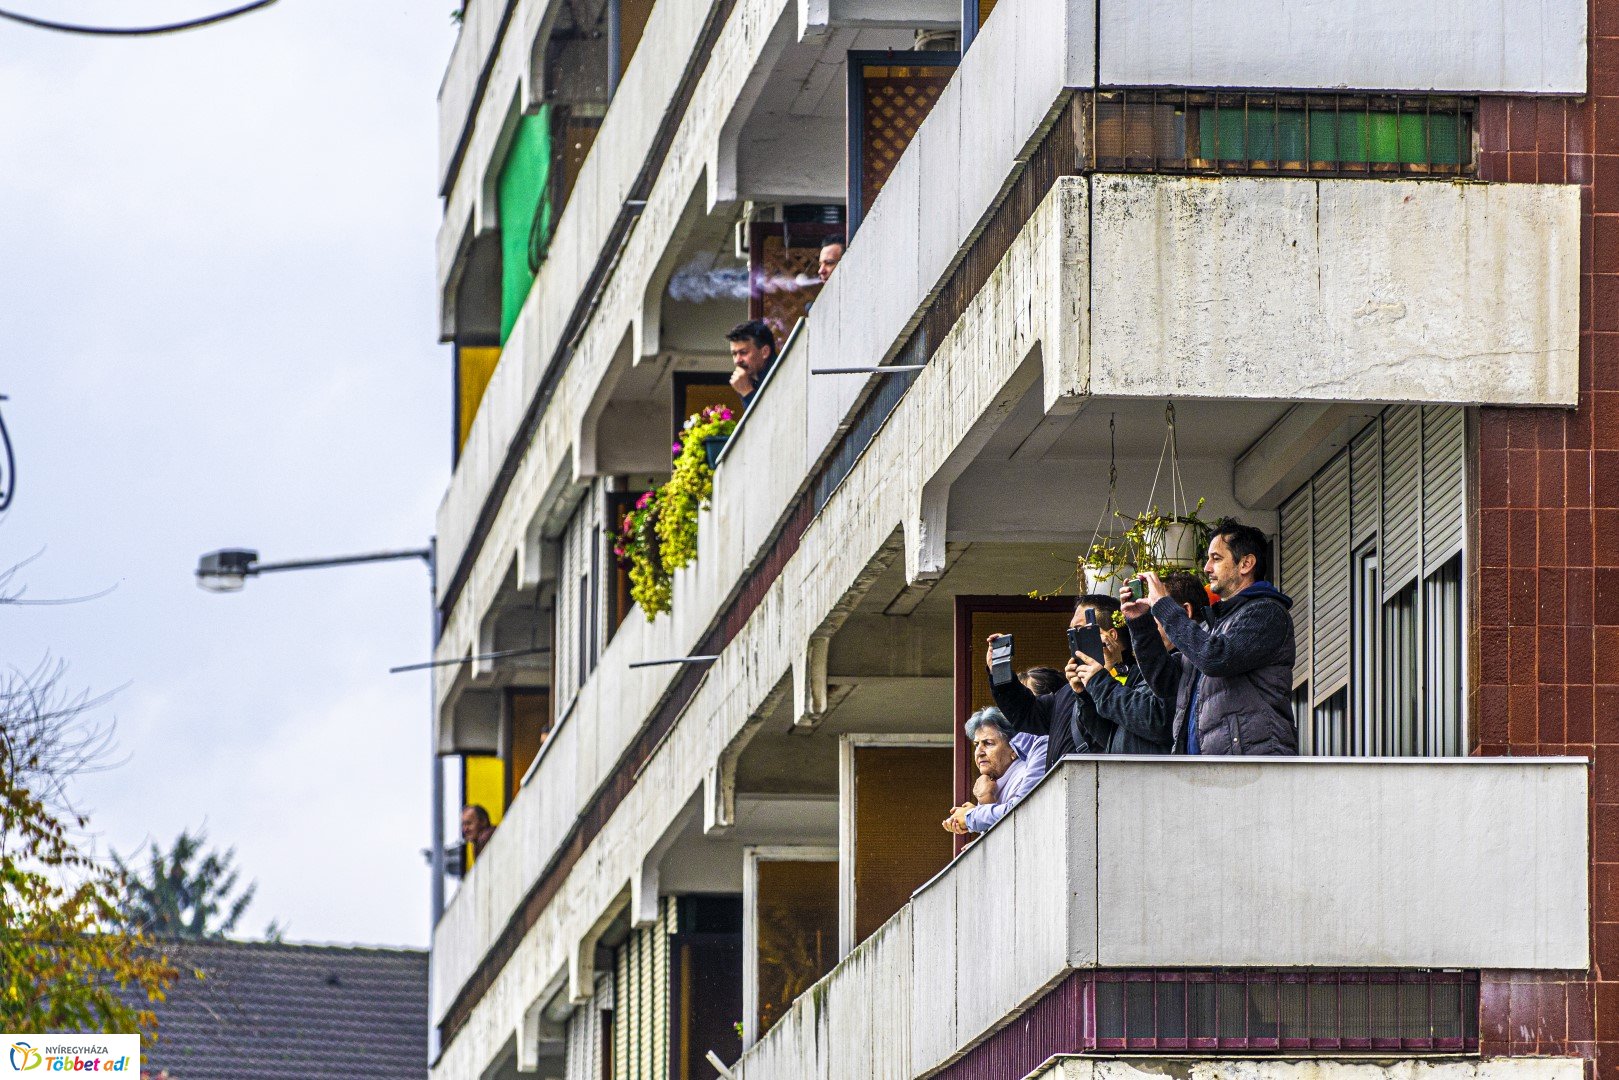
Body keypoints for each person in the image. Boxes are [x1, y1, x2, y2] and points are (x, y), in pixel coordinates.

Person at [1127, 519, 1298, 755]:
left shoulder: (1267, 613)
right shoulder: (1211, 627)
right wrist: (1140, 623)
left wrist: (1164, 606)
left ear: (1246, 564)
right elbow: (1165, 682)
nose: (1206, 568)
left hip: (1251, 763)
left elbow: (1216, 658)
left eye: (1216, 558)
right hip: (1209, 765)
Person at [1071, 572, 1208, 754]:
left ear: (1185, 611)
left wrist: (1100, 684)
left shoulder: (1194, 663)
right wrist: (1086, 695)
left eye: (1152, 612)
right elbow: (1110, 737)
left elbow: (1159, 722)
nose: (1147, 621)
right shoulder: (1152, 666)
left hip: (1158, 771)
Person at [985, 594, 1120, 763]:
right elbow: (1027, 714)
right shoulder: (1067, 692)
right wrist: (1000, 671)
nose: (1072, 638)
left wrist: (1103, 676)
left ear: (1109, 636)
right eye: (1070, 631)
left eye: (1079, 630)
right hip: (1063, 779)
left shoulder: (1133, 682)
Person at [942, 706, 1048, 835]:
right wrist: (980, 804)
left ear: (1014, 749)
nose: (979, 752)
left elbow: (1016, 822)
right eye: (976, 744)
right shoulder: (990, 783)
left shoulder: (1024, 775)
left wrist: (973, 813)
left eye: (988, 743)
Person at [726, 320, 777, 408]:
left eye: (743, 352)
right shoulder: (748, 379)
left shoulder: (781, 375)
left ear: (765, 352)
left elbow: (772, 414)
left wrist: (747, 392)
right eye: (734, 354)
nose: (737, 360)